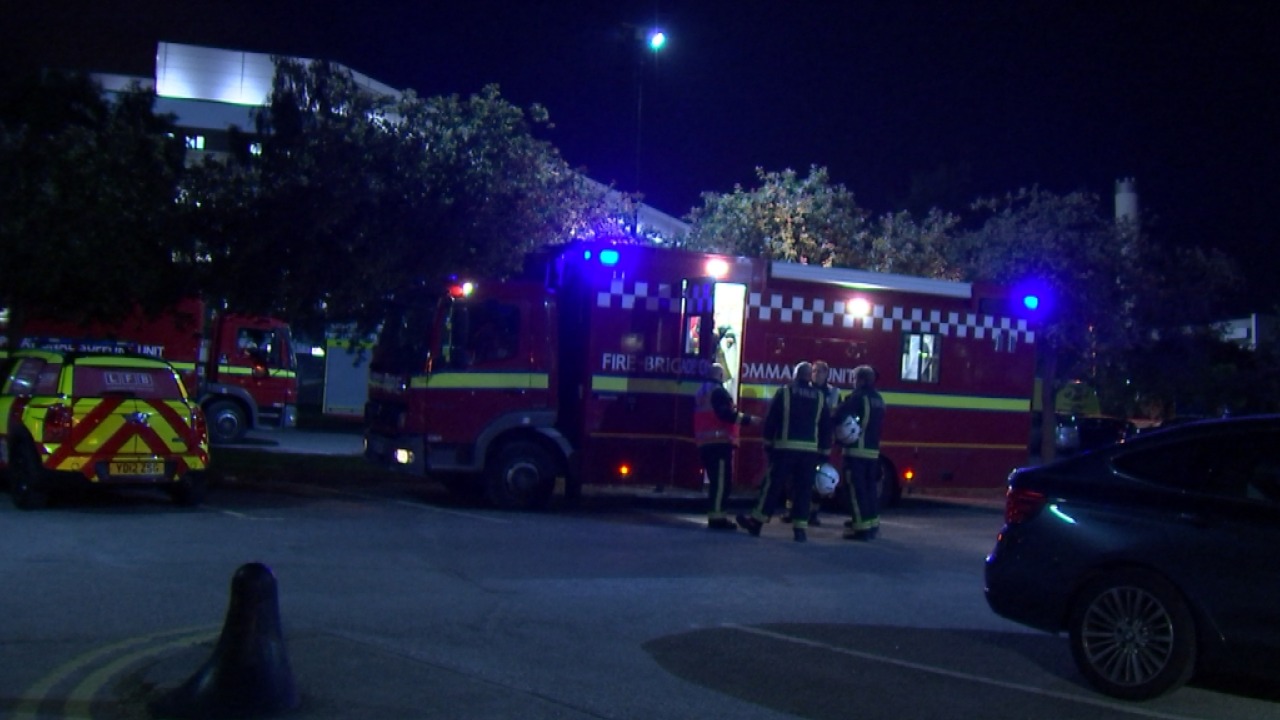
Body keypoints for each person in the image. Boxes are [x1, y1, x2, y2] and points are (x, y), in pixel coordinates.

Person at [737, 361, 834, 542]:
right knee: (804, 490)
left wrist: (767, 444)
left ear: (795, 375)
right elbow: (825, 427)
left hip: (784, 449)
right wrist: (824, 453)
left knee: (772, 486)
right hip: (809, 452)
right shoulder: (820, 397)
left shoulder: (785, 392)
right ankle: (800, 530)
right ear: (809, 376)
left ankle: (756, 522)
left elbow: (771, 419)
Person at [694, 363, 754, 530]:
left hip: (705, 443)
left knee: (716, 482)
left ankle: (716, 516)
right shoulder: (718, 391)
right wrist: (748, 420)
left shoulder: (702, 391)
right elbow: (726, 414)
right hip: (718, 443)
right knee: (721, 483)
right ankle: (717, 519)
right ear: (720, 375)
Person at [782, 359, 841, 527]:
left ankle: (813, 512)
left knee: (818, 478)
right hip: (806, 440)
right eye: (814, 371)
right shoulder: (806, 390)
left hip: (822, 441)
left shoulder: (833, 393)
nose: (816, 374)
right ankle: (791, 510)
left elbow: (835, 417)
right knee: (794, 478)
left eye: (819, 371)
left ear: (826, 374)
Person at [834, 365, 886, 541]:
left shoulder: (857, 397)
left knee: (856, 491)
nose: (853, 382)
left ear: (861, 380)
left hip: (856, 452)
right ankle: (872, 524)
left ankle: (861, 528)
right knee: (870, 490)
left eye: (854, 379)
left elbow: (838, 415)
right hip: (872, 452)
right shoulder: (879, 399)